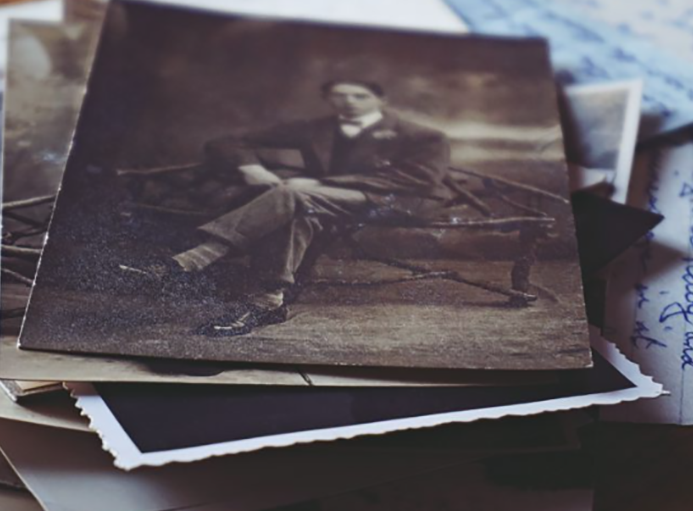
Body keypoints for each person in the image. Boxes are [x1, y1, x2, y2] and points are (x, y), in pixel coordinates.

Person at [122, 79, 452, 337]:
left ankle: (190, 260)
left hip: (392, 202)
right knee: (297, 212)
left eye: (359, 96)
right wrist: (251, 168)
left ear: (381, 100)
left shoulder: (421, 135)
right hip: (316, 201)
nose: (349, 102)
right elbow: (226, 142)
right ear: (328, 99)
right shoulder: (316, 128)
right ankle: (267, 303)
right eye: (339, 95)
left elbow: (419, 179)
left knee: (294, 194)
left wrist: (322, 183)